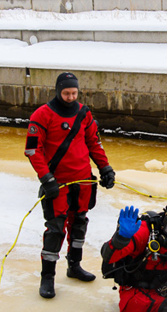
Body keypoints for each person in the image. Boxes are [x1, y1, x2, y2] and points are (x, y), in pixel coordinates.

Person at [25, 72, 115, 299]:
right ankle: (48, 278)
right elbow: (33, 150)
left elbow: (94, 143)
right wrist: (46, 179)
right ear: (58, 91)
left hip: (83, 180)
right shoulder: (42, 115)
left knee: (79, 223)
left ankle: (74, 266)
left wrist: (105, 168)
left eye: (74, 93)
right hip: (57, 182)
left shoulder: (84, 113)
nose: (70, 97)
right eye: (66, 93)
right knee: (55, 230)